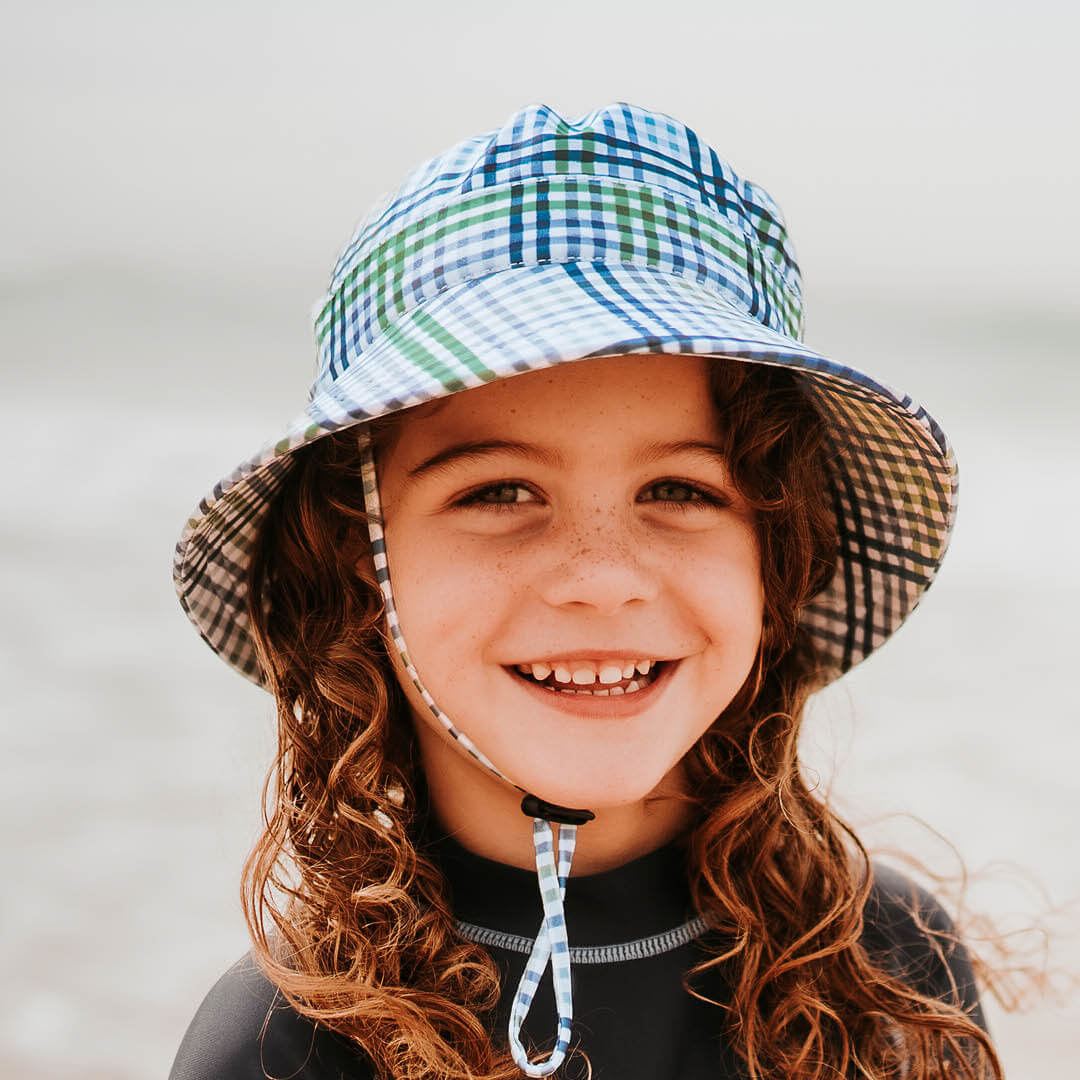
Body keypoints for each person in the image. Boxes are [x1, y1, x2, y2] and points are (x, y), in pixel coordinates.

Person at [169, 103, 1000, 1079]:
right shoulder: (287, 1045)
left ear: (778, 554)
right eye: (500, 492)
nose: (603, 580)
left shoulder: (887, 967)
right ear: (356, 562)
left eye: (681, 491)